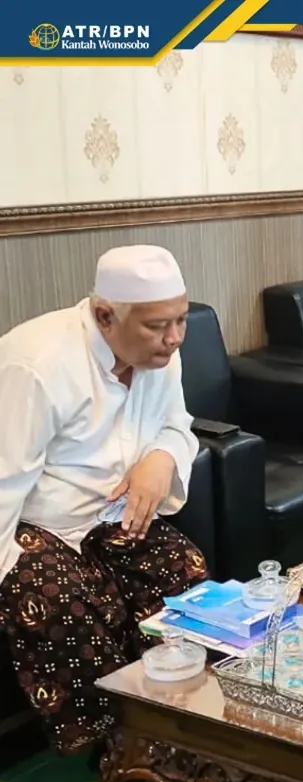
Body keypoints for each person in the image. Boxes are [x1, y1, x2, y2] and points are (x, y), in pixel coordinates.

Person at [0, 244, 206, 756]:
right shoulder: (38, 364)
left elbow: (178, 426)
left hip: (110, 515)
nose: (175, 338)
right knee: (61, 602)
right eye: (158, 326)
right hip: (34, 525)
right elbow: (4, 484)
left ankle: (192, 721)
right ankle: (121, 748)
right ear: (105, 315)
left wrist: (162, 457)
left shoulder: (162, 355)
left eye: (181, 320)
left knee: (184, 571)